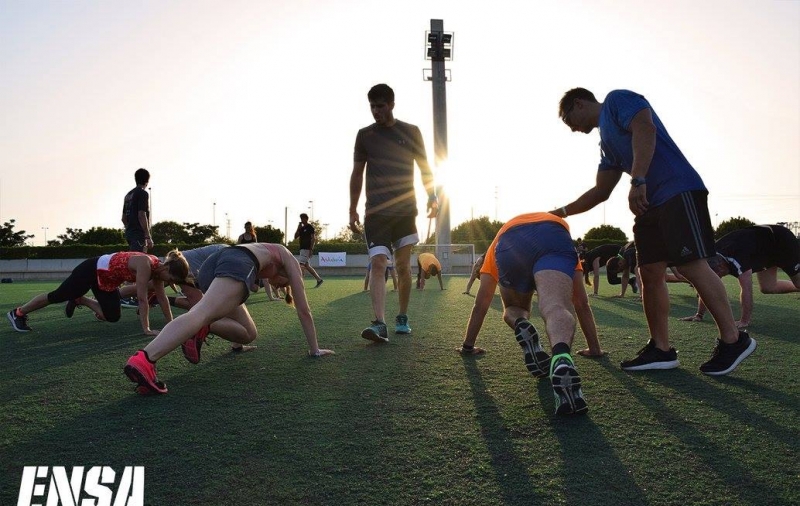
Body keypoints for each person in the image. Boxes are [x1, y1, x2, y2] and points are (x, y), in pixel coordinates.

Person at [554, 87, 756, 376]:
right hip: (649, 205)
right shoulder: (606, 145)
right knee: (648, 271)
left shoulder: (616, 100)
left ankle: (733, 340)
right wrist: (560, 213)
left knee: (690, 265)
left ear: (579, 103)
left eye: (568, 120)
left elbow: (644, 128)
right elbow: (601, 191)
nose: (572, 129)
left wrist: (637, 179)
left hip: (677, 190)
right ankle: (660, 349)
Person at [123, 243, 334, 394]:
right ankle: (145, 359)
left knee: (248, 333)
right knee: (200, 313)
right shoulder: (290, 261)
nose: (276, 285)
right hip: (236, 261)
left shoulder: (266, 254)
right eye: (280, 284)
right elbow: (304, 310)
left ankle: (204, 328)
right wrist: (314, 349)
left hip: (216, 262)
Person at [456, 213, 591, 416]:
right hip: (554, 233)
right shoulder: (554, 228)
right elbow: (581, 302)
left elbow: (481, 303)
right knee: (556, 307)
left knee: (513, 309)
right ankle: (561, 357)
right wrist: (595, 348)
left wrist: (468, 346)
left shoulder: (493, 248)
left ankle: (520, 322)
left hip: (509, 240)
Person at [348, 83, 438, 342]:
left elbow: (425, 168)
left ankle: (402, 317)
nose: (376, 111)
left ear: (392, 104)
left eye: (380, 106)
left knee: (402, 266)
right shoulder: (364, 135)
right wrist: (352, 207)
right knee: (378, 262)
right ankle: (379, 323)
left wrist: (432, 197)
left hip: (405, 210)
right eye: (372, 106)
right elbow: (357, 173)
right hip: (375, 212)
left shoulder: (410, 132)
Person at [7, 251, 188, 335]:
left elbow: (162, 299)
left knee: (112, 316)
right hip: (92, 269)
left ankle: (81, 299)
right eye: (170, 278)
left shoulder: (158, 273)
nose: (169, 283)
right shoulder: (146, 264)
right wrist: (146, 329)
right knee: (58, 295)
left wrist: (172, 325)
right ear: (166, 266)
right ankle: (18, 313)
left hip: (106, 281)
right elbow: (142, 298)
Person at [680, 224, 800, 328]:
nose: (715, 280)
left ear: (721, 267)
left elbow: (746, 288)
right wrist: (699, 315)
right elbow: (707, 285)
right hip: (763, 248)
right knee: (768, 287)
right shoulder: (713, 258)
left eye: (717, 276)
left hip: (780, 241)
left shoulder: (736, 259)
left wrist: (744, 321)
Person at [121, 168, 153, 253]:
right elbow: (141, 215)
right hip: (139, 234)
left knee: (133, 257)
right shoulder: (143, 193)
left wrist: (130, 228)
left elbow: (123, 218)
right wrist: (147, 236)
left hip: (129, 234)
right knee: (139, 260)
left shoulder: (128, 195)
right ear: (147, 181)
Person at [294, 213, 323, 288]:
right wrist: (298, 227)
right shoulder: (301, 228)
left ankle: (300, 283)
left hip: (306, 249)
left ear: (306, 219)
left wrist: (311, 249)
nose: (302, 220)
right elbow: (295, 236)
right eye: (301, 219)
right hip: (302, 249)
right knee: (306, 265)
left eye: (303, 219)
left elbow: (313, 238)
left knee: (301, 265)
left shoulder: (310, 227)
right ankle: (319, 279)